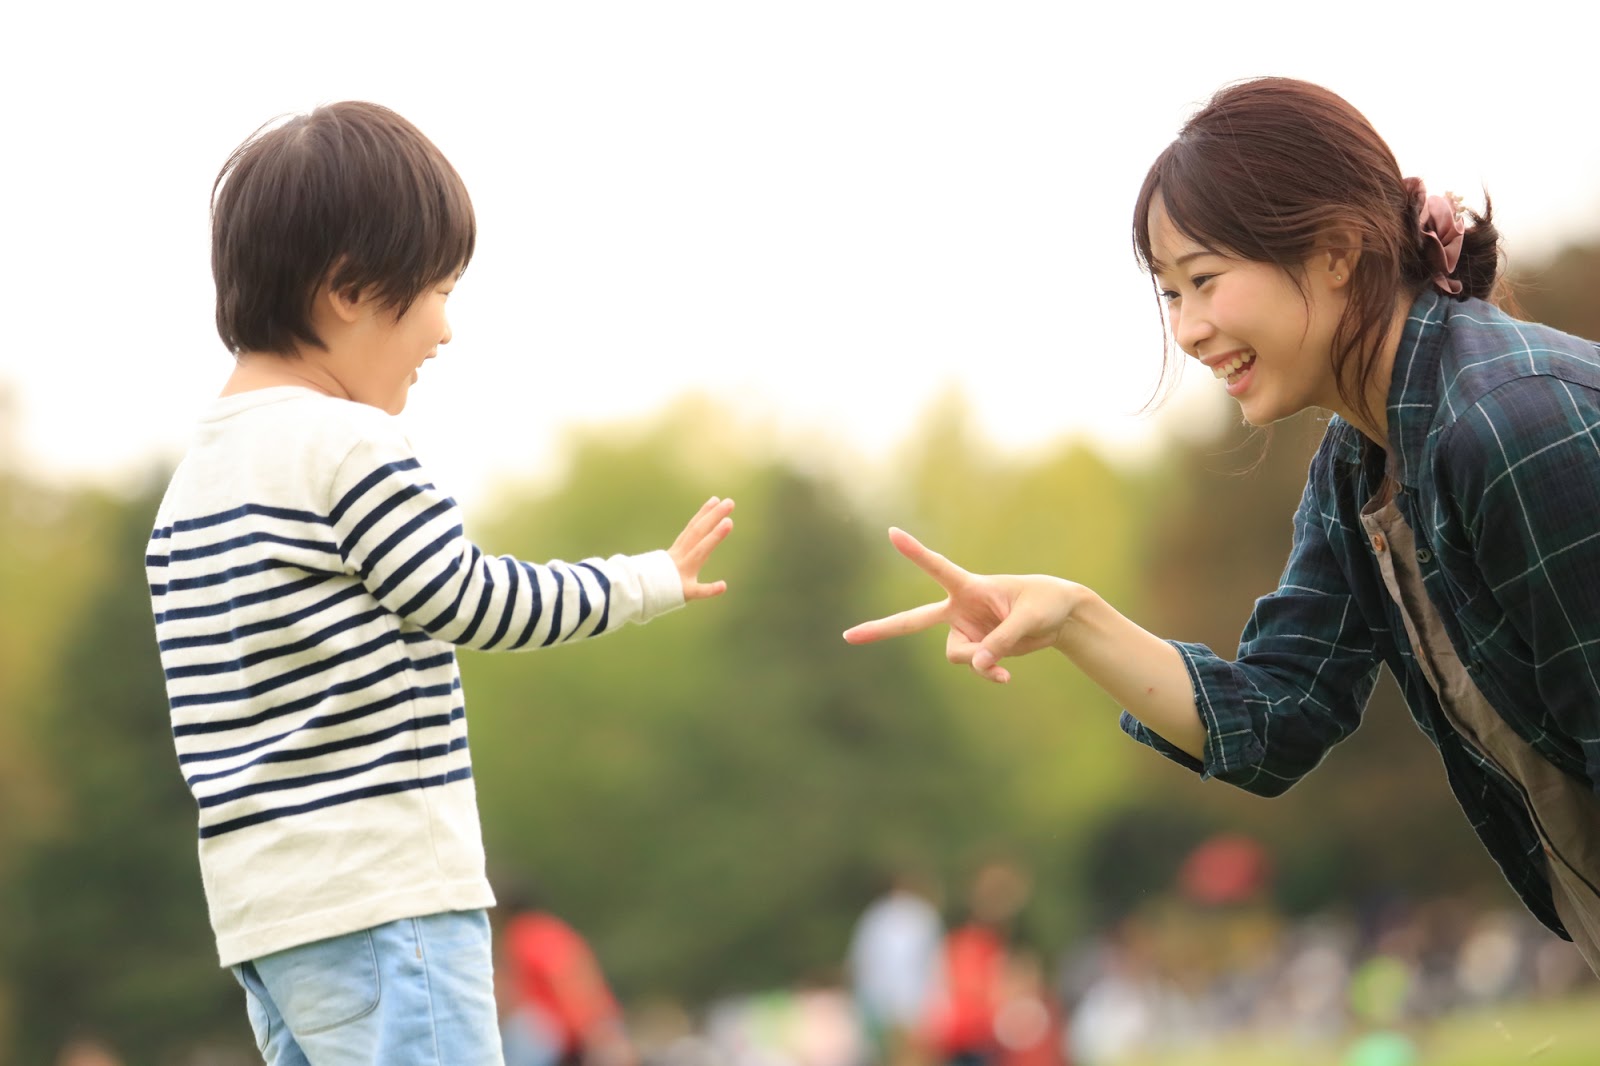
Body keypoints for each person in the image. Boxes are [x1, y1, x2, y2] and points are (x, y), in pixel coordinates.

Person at [843, 77, 1600, 975]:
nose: (1188, 329)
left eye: (1204, 280)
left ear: (1335, 251)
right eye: (1169, 293)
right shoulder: (1362, 461)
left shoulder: (1510, 426)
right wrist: (1075, 619)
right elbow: (1278, 718)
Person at [146, 101, 735, 1064]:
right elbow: (470, 598)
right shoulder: (346, 445)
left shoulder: (189, 495)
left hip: (268, 923)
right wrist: (648, 580)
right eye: (435, 290)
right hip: (390, 899)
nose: (446, 329)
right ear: (346, 289)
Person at [497, 894, 635, 1066]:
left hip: (568, 1028)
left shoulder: (525, 933)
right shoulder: (553, 928)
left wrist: (590, 1028)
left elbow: (563, 979)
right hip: (589, 1021)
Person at [845, 869, 944, 1066]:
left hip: (888, 1001)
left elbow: (860, 962)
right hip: (909, 1002)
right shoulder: (922, 915)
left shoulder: (876, 916)